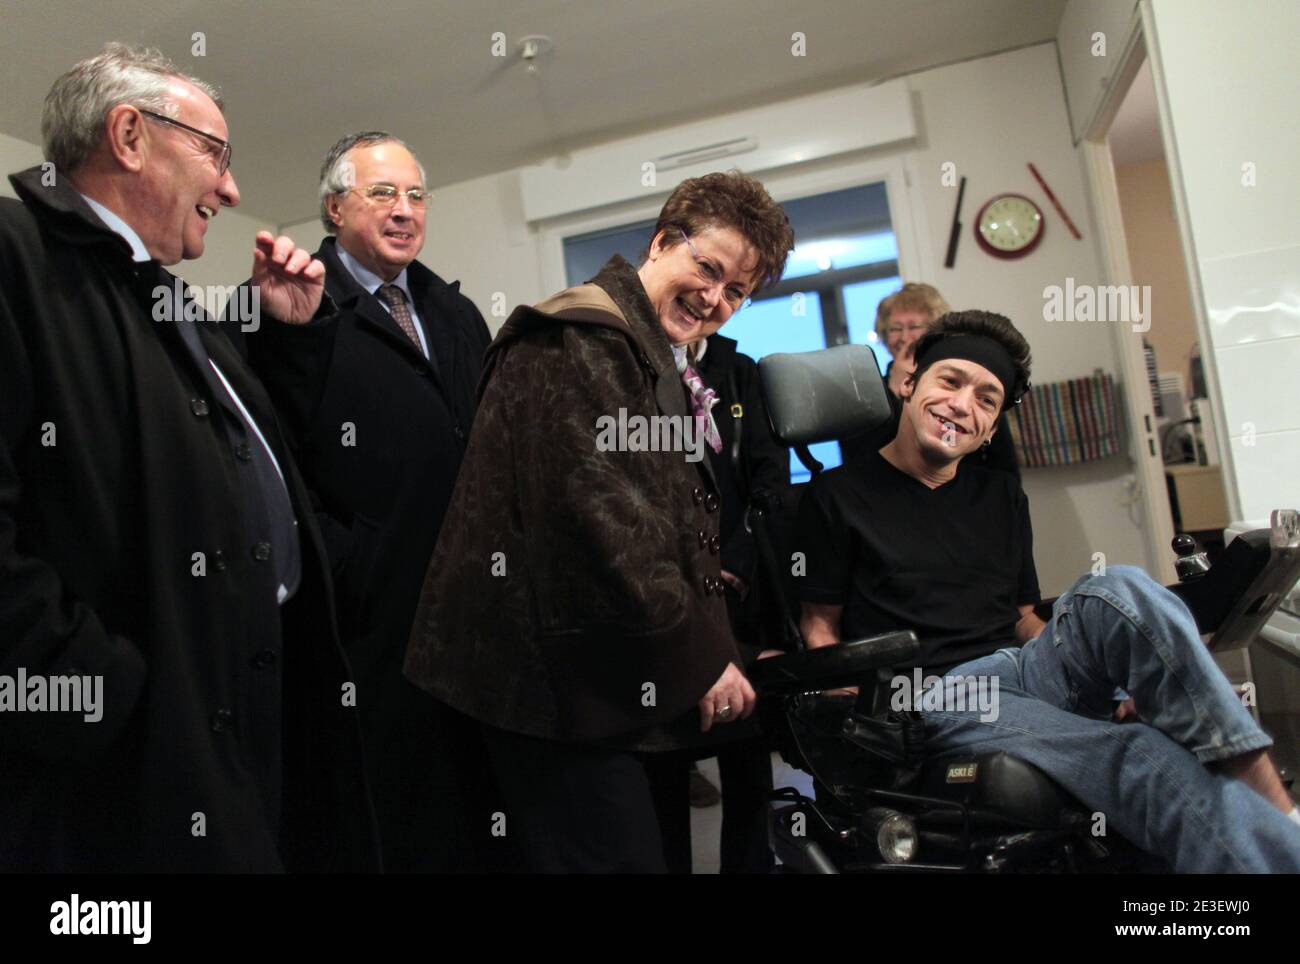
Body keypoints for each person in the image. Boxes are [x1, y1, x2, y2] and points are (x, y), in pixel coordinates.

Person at [0, 43, 377, 872]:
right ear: (129, 136)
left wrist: (287, 337)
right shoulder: (15, 257)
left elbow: (232, 456)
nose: (233, 189)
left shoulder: (165, 295)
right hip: (123, 761)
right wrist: (105, 695)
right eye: (214, 154)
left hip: (239, 713)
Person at [798, 309, 1300, 872]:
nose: (963, 404)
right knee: (1139, 755)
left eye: (986, 400)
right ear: (911, 384)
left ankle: (1259, 788)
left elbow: (1021, 616)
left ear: (991, 428)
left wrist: (1127, 673)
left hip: (1023, 666)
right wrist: (842, 719)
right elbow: (821, 627)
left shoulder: (1001, 498)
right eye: (950, 381)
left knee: (1122, 586)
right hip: (936, 694)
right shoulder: (836, 496)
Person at [404, 170, 795, 872]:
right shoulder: (580, 338)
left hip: (602, 673)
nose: (714, 299)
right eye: (707, 269)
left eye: (736, 291)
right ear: (662, 242)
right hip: (543, 686)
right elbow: (602, 522)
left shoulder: (647, 352)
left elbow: (668, 514)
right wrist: (704, 658)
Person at [232, 131, 497, 872]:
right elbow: (267, 456)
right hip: (370, 621)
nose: (405, 210)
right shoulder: (288, 308)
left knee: (480, 808)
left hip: (473, 608)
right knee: (395, 819)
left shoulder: (454, 311)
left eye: (416, 195)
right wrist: (344, 559)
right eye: (383, 193)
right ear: (334, 206)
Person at [645, 322, 791, 873]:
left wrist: (734, 562)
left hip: (736, 588)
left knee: (748, 752)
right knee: (666, 756)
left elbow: (771, 483)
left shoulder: (741, 372)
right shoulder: (630, 367)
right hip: (664, 594)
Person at [842, 282, 1017, 475]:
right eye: (895, 329)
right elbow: (858, 458)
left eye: (915, 326)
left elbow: (1004, 463)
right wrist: (894, 388)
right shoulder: (864, 397)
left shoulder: (975, 389)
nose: (905, 337)